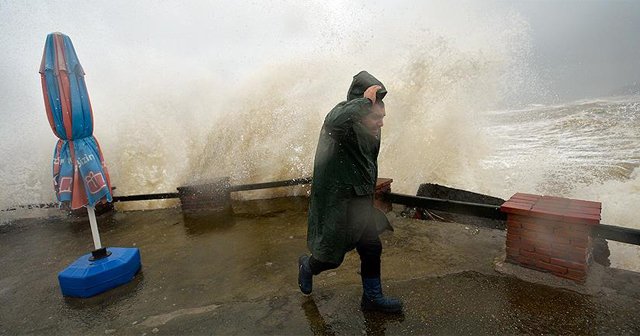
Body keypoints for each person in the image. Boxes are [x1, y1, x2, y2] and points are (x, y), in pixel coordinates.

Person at [298, 71, 403, 313]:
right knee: (330, 257)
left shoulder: (372, 132)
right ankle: (307, 265)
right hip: (338, 204)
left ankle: (372, 299)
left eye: (383, 117)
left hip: (359, 204)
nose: (381, 123)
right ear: (361, 113)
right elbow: (334, 119)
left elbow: (368, 164)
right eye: (377, 117)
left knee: (372, 248)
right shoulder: (340, 128)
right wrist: (365, 102)